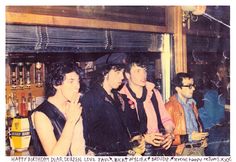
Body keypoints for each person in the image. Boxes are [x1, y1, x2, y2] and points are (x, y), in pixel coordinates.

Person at [81, 54, 145, 156]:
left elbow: (134, 128)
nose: (122, 77)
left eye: (123, 73)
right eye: (117, 72)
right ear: (105, 73)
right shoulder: (90, 99)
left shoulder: (122, 99)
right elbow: (87, 136)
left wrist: (138, 138)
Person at [119, 54, 175, 156]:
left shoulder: (153, 93)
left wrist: (170, 134)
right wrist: (144, 138)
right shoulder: (121, 97)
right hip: (137, 150)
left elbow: (166, 119)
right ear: (127, 75)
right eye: (138, 71)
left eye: (144, 70)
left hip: (158, 148)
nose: (143, 75)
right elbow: (121, 132)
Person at [29, 62, 85, 156]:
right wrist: (71, 121)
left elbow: (79, 148)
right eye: (71, 81)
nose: (77, 86)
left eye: (78, 81)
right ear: (56, 84)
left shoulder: (73, 107)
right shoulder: (41, 114)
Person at [165, 72, 208, 156]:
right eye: (189, 86)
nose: (193, 89)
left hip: (199, 149)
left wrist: (204, 139)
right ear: (178, 88)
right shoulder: (169, 107)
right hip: (184, 151)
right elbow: (166, 138)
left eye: (193, 85)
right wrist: (190, 137)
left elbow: (198, 126)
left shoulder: (192, 104)